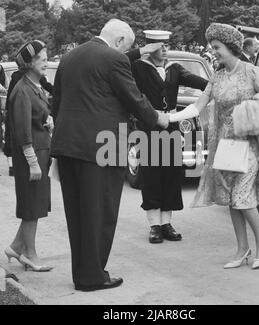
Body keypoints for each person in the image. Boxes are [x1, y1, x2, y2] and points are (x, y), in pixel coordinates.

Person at [50, 19, 169, 292]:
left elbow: (56, 102)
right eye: (126, 46)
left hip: (69, 146)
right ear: (118, 42)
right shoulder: (113, 59)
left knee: (78, 215)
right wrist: (157, 118)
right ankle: (93, 277)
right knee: (100, 214)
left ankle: (82, 273)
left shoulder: (70, 57)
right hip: (104, 147)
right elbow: (133, 97)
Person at [168, 23, 259, 270]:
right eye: (212, 47)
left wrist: (254, 107)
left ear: (231, 47)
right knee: (232, 199)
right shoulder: (217, 77)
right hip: (226, 146)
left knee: (243, 198)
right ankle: (242, 249)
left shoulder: (253, 72)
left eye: (217, 47)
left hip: (250, 144)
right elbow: (197, 107)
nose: (214, 52)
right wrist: (168, 118)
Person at [131, 30, 208, 244]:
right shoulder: (138, 67)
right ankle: (154, 225)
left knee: (171, 175)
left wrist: (216, 84)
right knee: (152, 175)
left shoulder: (174, 68)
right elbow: (119, 60)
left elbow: (197, 81)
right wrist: (141, 51)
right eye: (160, 46)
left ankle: (166, 223)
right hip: (149, 125)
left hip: (172, 126)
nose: (165, 49)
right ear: (151, 48)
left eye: (166, 45)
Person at [4, 40, 53, 272]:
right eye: (42, 59)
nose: (46, 62)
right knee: (31, 207)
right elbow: (23, 132)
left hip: (40, 155)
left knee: (35, 205)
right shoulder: (22, 90)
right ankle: (29, 255)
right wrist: (33, 163)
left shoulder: (35, 86)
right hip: (30, 158)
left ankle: (16, 247)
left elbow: (36, 119)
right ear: (30, 63)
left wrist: (47, 121)